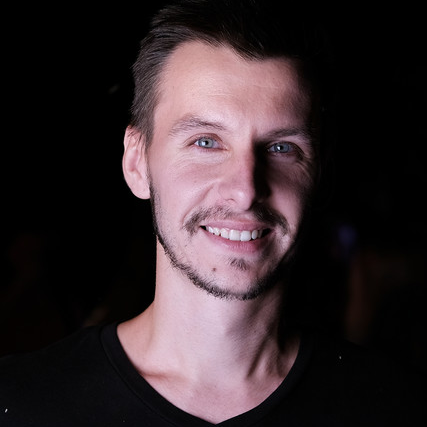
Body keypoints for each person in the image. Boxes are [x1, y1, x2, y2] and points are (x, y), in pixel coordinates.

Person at [1, 0, 426, 425]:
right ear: (137, 163)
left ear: (320, 174)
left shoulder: (396, 409)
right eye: (206, 141)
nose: (245, 191)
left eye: (281, 148)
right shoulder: (21, 403)